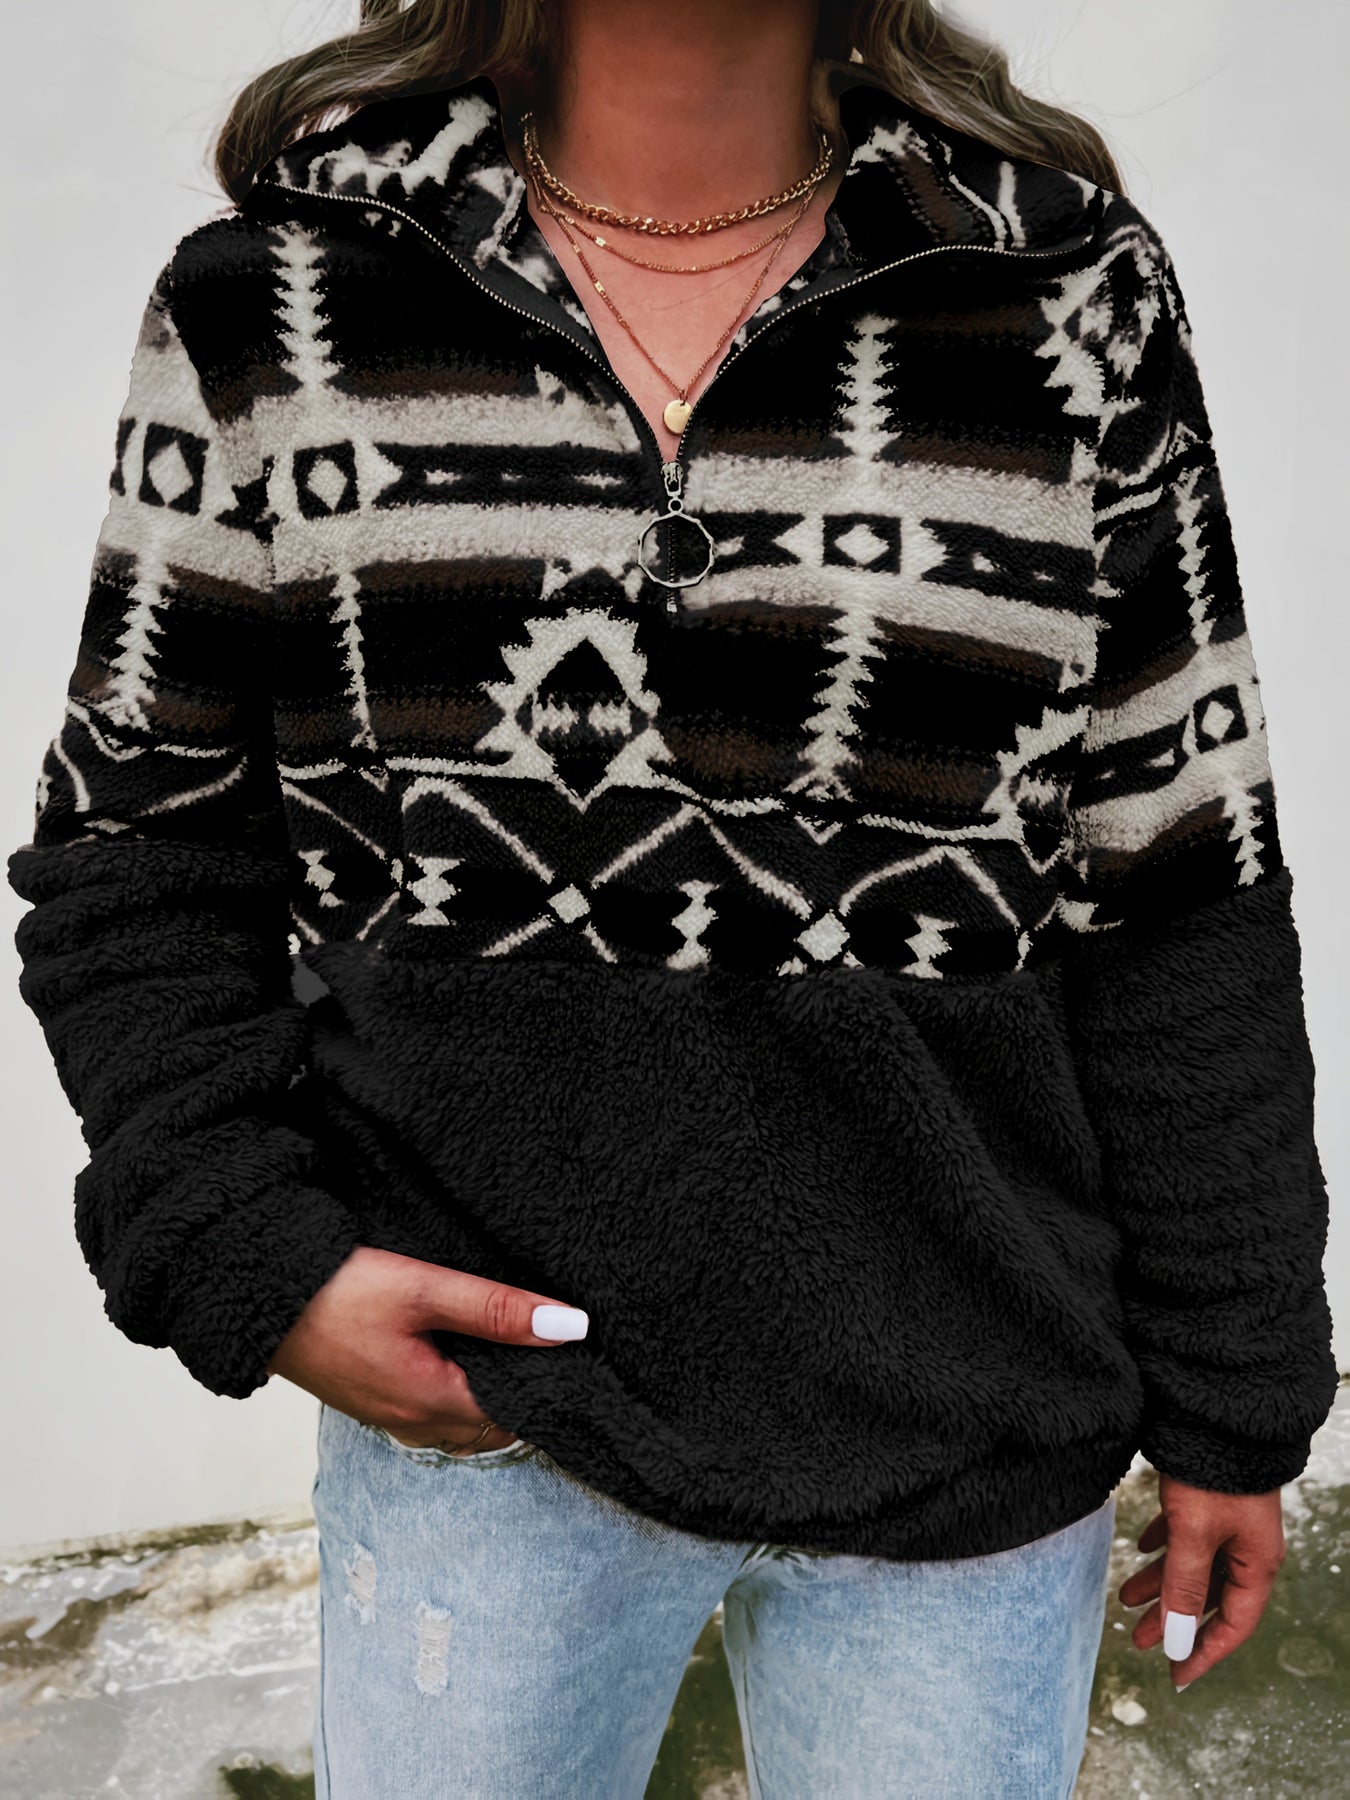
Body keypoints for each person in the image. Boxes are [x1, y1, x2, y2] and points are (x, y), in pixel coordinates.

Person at [9, 1, 1337, 1794]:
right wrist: (253, 1252)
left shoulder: (1058, 296)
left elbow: (1181, 893)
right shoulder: (284, 299)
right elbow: (139, 849)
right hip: (488, 1445)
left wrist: (1237, 1388)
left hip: (971, 1420)